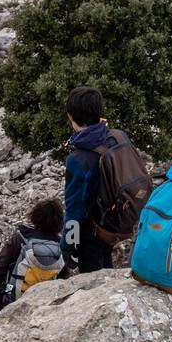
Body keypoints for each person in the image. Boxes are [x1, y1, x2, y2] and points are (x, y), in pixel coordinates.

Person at [61, 86, 116, 273]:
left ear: (71, 116)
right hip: (113, 221)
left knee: (93, 275)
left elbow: (74, 209)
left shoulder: (78, 160)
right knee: (107, 264)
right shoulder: (114, 138)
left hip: (91, 231)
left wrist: (68, 245)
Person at [0, 199, 65, 312]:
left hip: (13, 302)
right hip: (45, 304)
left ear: (35, 216)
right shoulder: (61, 246)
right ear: (59, 221)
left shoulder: (20, 238)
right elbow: (64, 279)